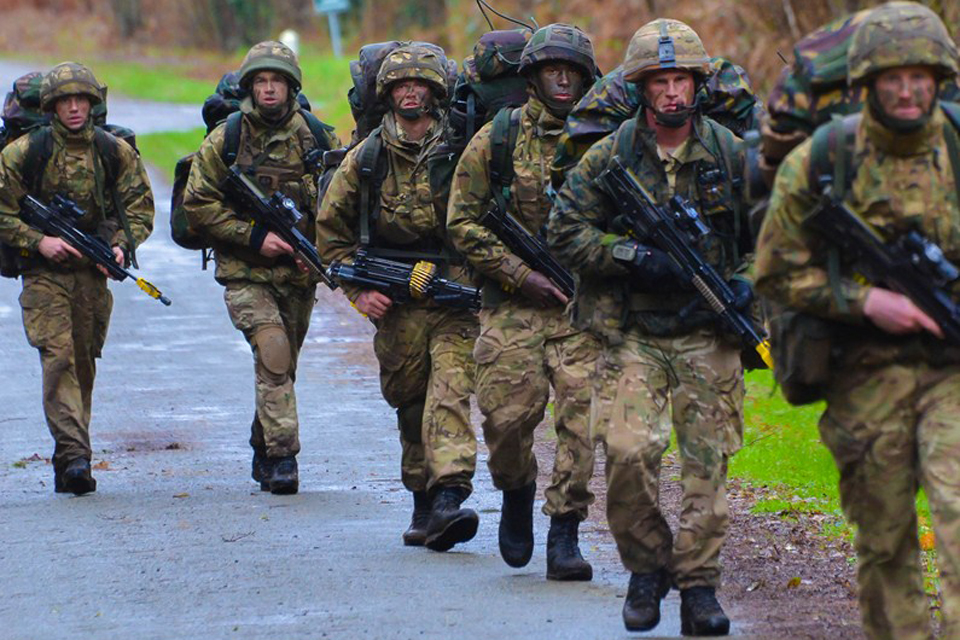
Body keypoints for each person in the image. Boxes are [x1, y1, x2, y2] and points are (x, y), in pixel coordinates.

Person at [754, 3, 960, 638]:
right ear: (866, 84)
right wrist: (868, 301)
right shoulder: (822, 159)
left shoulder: (954, 149)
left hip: (954, 371)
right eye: (892, 78)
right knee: (885, 540)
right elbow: (776, 270)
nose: (906, 89)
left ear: (939, 79)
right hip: (865, 375)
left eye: (919, 76)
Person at [548, 18, 753, 636]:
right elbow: (565, 231)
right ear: (640, 87)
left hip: (706, 335)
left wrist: (746, 284)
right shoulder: (611, 155)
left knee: (706, 465)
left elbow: (770, 235)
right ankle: (646, 566)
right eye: (659, 81)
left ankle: (698, 587)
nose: (671, 93)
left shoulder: (728, 153)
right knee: (630, 455)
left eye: (681, 80)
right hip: (632, 332)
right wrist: (634, 257)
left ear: (697, 85)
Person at [446, 24, 599, 580]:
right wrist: (518, 273)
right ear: (532, 77)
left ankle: (566, 530)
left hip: (584, 309)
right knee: (507, 421)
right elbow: (461, 221)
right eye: (552, 69)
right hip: (512, 305)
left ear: (586, 76)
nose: (562, 78)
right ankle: (517, 489)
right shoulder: (499, 137)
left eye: (572, 70)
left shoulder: (607, 139)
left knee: (582, 424)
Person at [317, 44, 479, 551]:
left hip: (456, 297)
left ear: (436, 92)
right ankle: (423, 501)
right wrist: (359, 291)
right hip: (397, 304)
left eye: (421, 84)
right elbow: (331, 238)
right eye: (401, 85)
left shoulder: (463, 149)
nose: (412, 92)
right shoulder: (365, 160)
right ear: (386, 94)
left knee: (449, 392)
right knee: (411, 405)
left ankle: (451, 494)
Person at [183, 41, 338, 495]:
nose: (269, 90)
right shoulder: (226, 139)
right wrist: (253, 238)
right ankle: (284, 457)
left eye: (277, 82)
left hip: (298, 272)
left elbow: (341, 201)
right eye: (261, 82)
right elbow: (198, 204)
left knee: (282, 367)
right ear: (251, 86)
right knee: (272, 350)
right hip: (245, 271)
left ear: (291, 87)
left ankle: (264, 442)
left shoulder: (317, 136)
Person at [0, 62, 155, 495]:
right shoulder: (24, 152)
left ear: (92, 104)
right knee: (58, 357)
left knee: (83, 362)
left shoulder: (112, 150)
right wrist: (37, 241)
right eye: (65, 101)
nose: (73, 108)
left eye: (80, 100)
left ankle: (71, 451)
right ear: (51, 106)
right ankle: (74, 456)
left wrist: (122, 245)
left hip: (92, 274)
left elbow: (139, 206)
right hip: (42, 273)